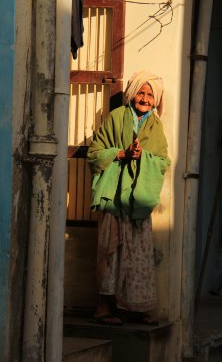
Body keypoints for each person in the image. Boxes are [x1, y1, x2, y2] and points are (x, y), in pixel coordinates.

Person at [87, 71, 170, 325]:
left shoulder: (156, 127)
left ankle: (133, 308)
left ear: (156, 100)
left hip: (137, 203)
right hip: (113, 199)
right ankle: (103, 308)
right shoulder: (116, 117)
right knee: (110, 252)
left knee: (138, 255)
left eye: (149, 94)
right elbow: (94, 154)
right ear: (132, 94)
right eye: (140, 93)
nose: (144, 98)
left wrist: (142, 157)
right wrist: (122, 153)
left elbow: (163, 161)